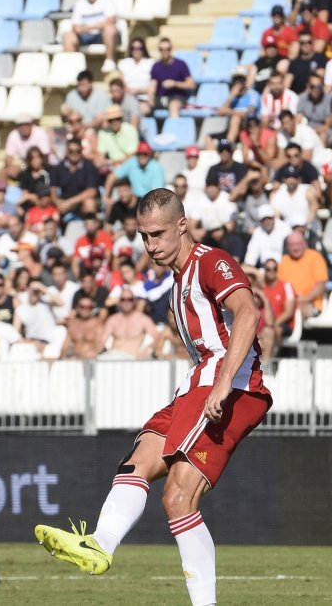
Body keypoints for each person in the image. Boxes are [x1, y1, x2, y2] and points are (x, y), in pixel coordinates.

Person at [35, 188, 269, 606]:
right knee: (138, 460)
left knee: (178, 498)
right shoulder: (177, 277)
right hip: (198, 382)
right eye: (144, 236)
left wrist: (223, 382)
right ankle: (102, 544)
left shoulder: (210, 262)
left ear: (183, 226)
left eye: (158, 234)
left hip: (231, 385)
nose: (150, 245)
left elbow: (248, 313)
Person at [65, 0, 119, 71]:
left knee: (110, 29)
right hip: (85, 35)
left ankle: (110, 61)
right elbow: (75, 26)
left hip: (101, 35)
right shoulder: (80, 3)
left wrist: (89, 27)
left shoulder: (106, 0)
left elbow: (111, 20)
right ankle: (71, 68)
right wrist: (79, 29)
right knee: (68, 36)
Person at [99, 286, 161, 359]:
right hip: (113, 357)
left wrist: (148, 349)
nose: (126, 302)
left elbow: (159, 337)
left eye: (130, 299)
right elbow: (102, 341)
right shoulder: (112, 320)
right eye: (123, 299)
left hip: (131, 360)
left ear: (134, 301)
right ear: (119, 301)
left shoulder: (143, 319)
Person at [278, 232, 328, 317]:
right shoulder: (283, 261)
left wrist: (304, 298)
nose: (295, 248)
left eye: (298, 244)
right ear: (287, 246)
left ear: (305, 244)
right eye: (292, 245)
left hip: (310, 304)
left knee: (294, 309)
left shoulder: (315, 257)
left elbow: (321, 285)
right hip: (287, 303)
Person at [62, 294, 106, 359]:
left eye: (88, 307)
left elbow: (100, 345)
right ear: (77, 308)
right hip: (75, 360)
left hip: (92, 361)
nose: (85, 309)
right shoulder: (73, 325)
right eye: (82, 307)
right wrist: (62, 358)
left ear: (92, 309)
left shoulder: (97, 324)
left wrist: (93, 353)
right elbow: (65, 346)